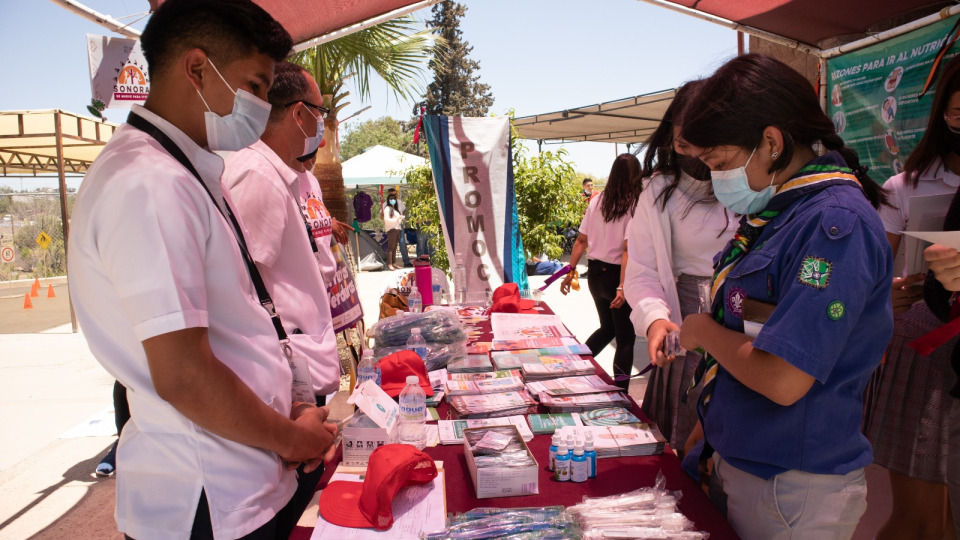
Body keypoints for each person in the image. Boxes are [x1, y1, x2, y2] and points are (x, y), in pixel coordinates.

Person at [66, 2, 337, 538]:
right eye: (255, 87)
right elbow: (184, 374)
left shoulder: (182, 171)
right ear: (197, 70)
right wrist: (291, 438)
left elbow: (244, 321)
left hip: (248, 474)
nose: (262, 106)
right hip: (210, 495)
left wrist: (295, 409)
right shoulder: (148, 183)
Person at [676, 53, 892, 540]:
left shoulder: (835, 226)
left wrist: (702, 332)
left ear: (771, 142)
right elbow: (749, 332)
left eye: (721, 163)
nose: (716, 180)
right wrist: (713, 429)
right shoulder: (780, 216)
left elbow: (783, 378)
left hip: (791, 487)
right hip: (747, 459)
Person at [862, 55, 960, 540]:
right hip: (926, 349)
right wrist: (887, 296)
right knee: (921, 520)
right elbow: (870, 275)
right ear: (944, 112)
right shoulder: (906, 187)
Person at [222, 61, 341, 411]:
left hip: (299, 368)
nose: (322, 123)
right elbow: (240, 289)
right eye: (321, 112)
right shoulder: (257, 176)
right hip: (284, 383)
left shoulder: (281, 173)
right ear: (300, 114)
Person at [623, 80, 732, 453]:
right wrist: (655, 317)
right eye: (685, 140)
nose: (697, 153)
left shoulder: (750, 186)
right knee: (685, 440)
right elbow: (642, 269)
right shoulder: (657, 189)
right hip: (683, 323)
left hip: (739, 320)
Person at [560, 154, 641, 390]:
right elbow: (627, 249)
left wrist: (570, 270)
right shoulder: (633, 205)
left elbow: (581, 240)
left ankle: (575, 367)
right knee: (626, 338)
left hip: (595, 275)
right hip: (617, 276)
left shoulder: (597, 201)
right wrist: (623, 286)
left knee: (608, 328)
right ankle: (622, 392)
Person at [383, 189, 404, 270]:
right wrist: (397, 219)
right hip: (391, 229)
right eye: (391, 199)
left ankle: (394, 263)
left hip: (397, 229)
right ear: (388, 200)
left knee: (395, 247)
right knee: (390, 247)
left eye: (394, 199)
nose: (393, 200)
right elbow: (387, 220)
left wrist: (400, 218)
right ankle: (389, 264)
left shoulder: (395, 209)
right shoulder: (387, 208)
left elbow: (397, 219)